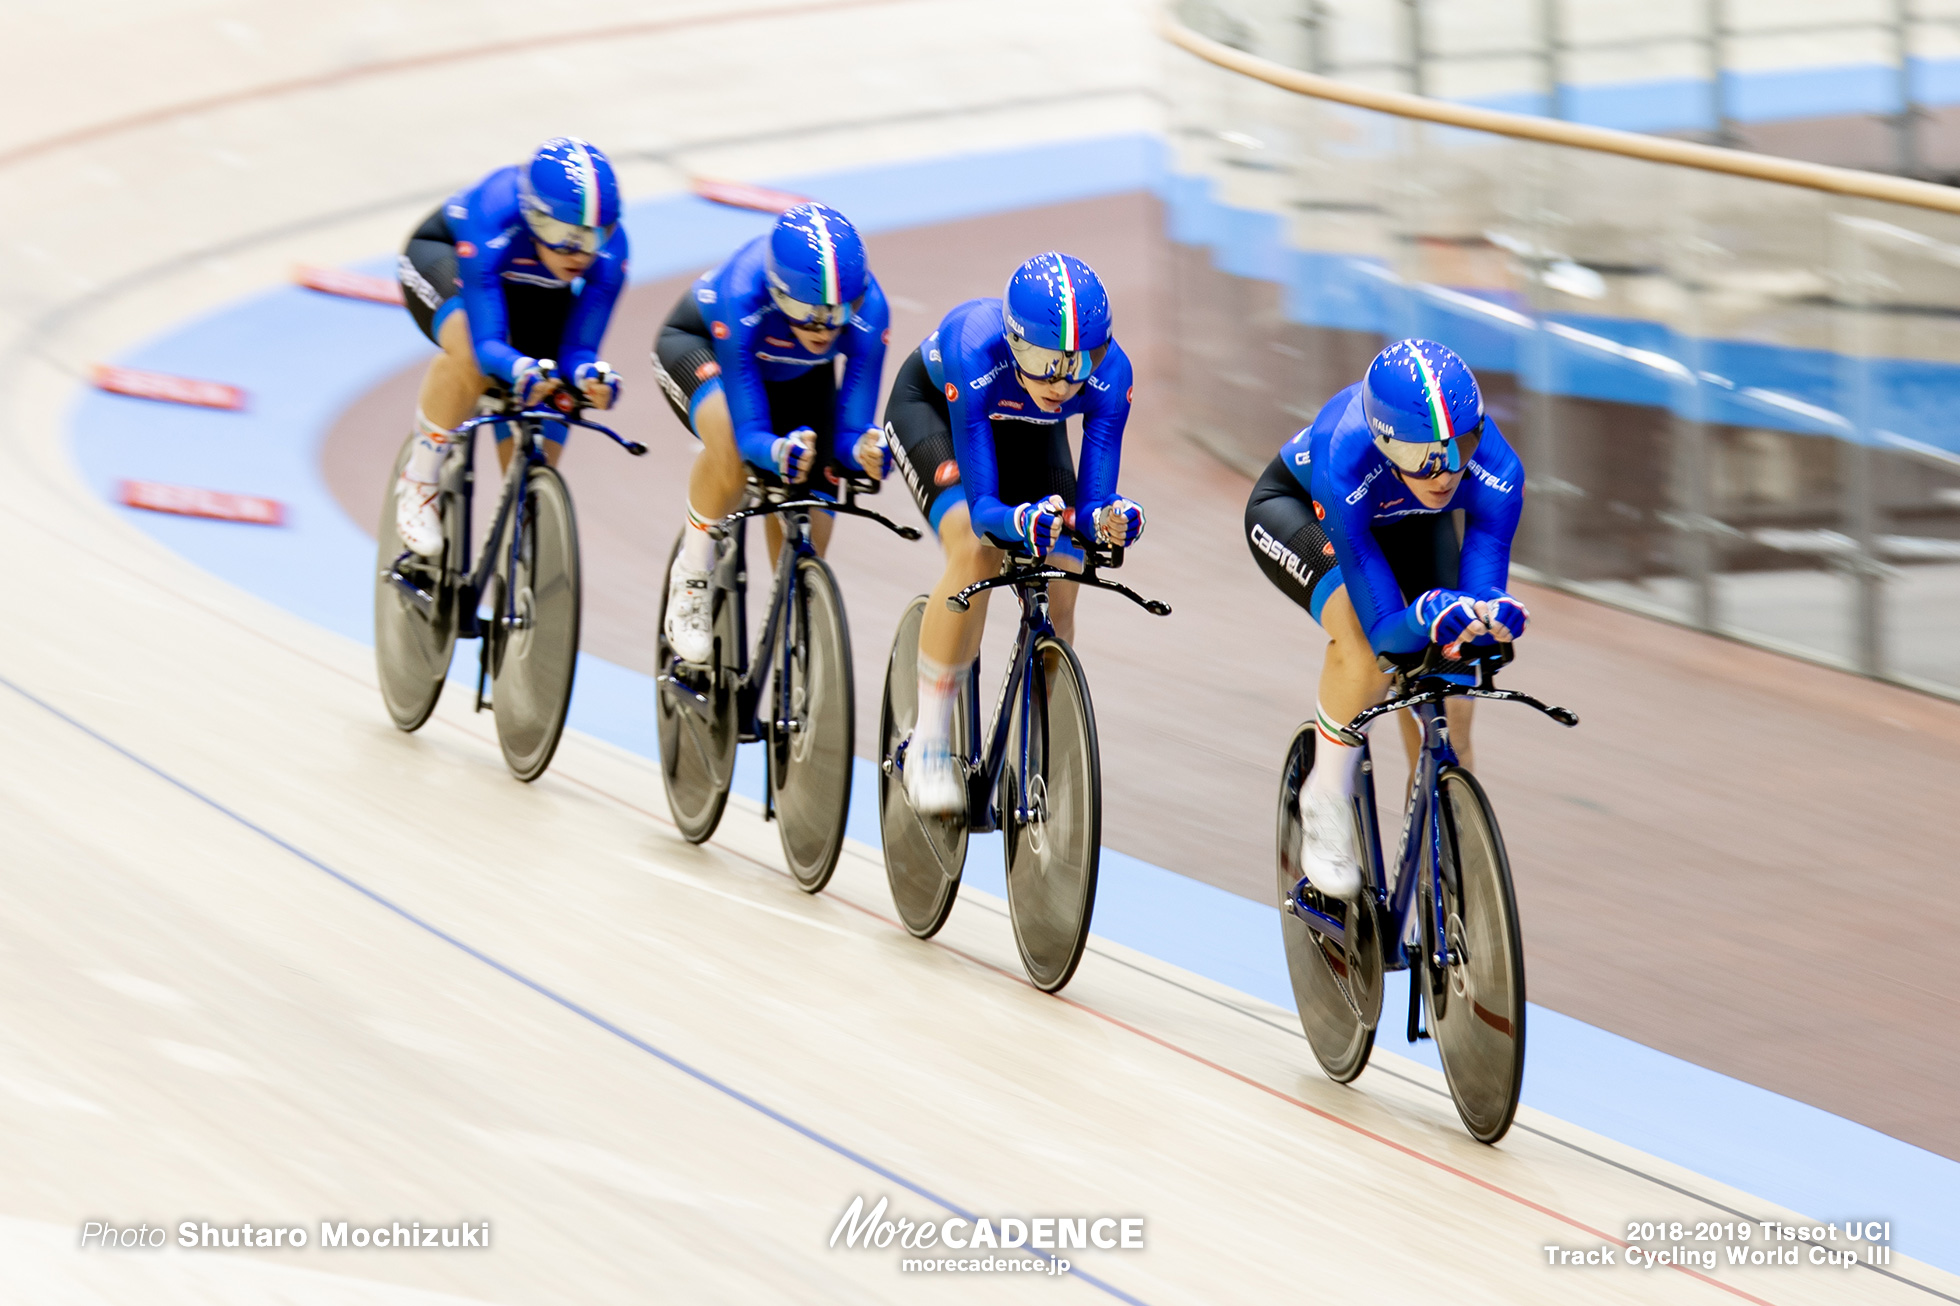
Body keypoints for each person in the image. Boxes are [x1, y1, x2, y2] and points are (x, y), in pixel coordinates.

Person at [1243, 338, 1529, 898]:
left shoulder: (1495, 468)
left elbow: (1480, 586)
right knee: (1365, 652)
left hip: (1410, 517)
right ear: (1384, 440)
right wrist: (1424, 616)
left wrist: (1484, 618)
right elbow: (1385, 633)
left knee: (1453, 696)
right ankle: (1325, 797)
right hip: (1303, 511)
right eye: (1423, 454)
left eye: (1460, 445)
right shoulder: (1345, 459)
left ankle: (1439, 876)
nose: (1445, 471)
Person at [884, 252, 1148, 815]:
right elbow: (985, 510)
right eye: (1044, 361)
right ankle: (928, 742)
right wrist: (1018, 521)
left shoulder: (1109, 375)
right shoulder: (973, 349)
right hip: (939, 417)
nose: (1061, 381)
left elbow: (1092, 503)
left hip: (1031, 434)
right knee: (975, 551)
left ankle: (1040, 738)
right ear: (1012, 342)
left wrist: (1106, 520)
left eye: (1077, 364)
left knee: (1068, 567)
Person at [654, 202, 892, 663]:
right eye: (807, 310)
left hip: (801, 376)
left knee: (812, 521)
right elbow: (751, 433)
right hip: (706, 351)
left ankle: (793, 639)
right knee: (729, 448)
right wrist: (775, 450)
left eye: (839, 310)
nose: (824, 326)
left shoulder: (869, 311)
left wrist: (862, 448)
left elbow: (849, 430)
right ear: (777, 291)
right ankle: (694, 574)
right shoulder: (742, 293)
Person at [393, 137, 628, 555]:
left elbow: (577, 348)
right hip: (449, 262)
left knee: (551, 401)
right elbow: (488, 344)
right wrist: (518, 367)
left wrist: (587, 376)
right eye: (560, 233)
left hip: (533, 289)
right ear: (532, 215)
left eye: (591, 237)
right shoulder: (495, 210)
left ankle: (517, 537)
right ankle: (420, 481)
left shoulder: (611, 253)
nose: (576, 252)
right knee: (468, 356)